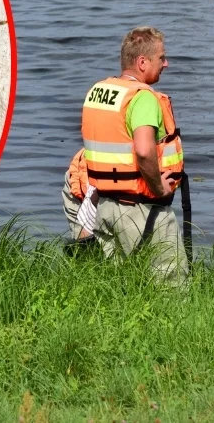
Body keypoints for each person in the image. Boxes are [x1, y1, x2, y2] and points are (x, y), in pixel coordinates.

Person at [80, 26, 187, 281]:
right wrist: (159, 188)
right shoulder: (143, 98)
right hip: (141, 210)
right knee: (172, 287)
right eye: (161, 57)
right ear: (142, 62)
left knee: (119, 288)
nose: (166, 63)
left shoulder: (99, 92)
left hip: (104, 208)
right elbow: (143, 149)